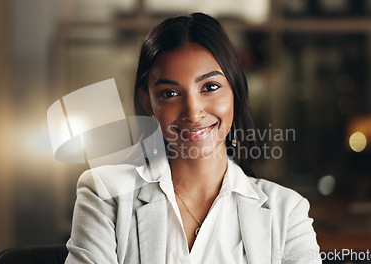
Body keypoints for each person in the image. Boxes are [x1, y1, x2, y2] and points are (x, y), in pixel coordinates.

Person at [65, 12, 321, 264]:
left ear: (236, 91)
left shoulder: (286, 211)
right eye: (170, 93)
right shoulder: (105, 194)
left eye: (210, 87)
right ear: (148, 103)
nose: (193, 112)